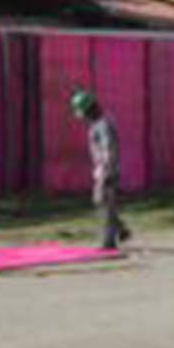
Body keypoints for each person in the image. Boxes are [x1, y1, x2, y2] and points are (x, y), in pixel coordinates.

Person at [72, 87, 128, 251]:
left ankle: (109, 241)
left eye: (83, 113)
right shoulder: (97, 123)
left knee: (103, 202)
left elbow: (109, 148)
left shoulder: (102, 125)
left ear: (90, 109)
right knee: (103, 202)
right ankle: (119, 229)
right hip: (103, 168)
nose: (83, 118)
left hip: (107, 169)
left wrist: (105, 170)